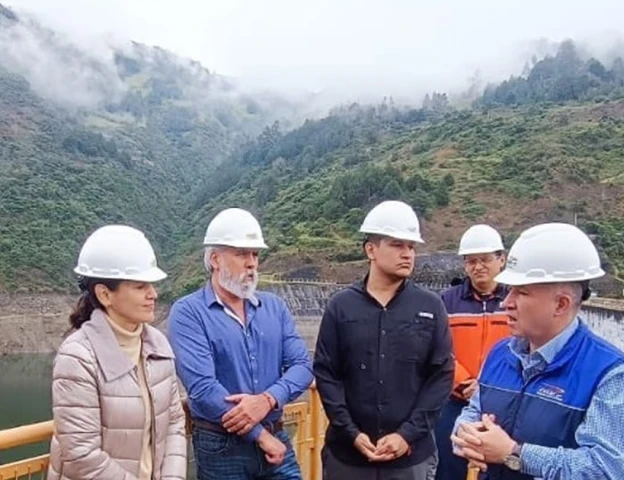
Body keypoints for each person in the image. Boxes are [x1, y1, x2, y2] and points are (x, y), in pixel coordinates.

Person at [452, 222, 624, 480]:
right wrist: (465, 435)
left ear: (561, 304)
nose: (506, 302)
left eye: (521, 292)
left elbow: (605, 469)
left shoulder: (608, 374)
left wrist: (514, 454)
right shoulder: (500, 353)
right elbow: (472, 412)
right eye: (509, 291)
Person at [167, 207, 313, 480]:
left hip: (276, 435)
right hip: (222, 446)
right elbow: (202, 389)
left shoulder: (275, 307)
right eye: (241, 253)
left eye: (255, 254)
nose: (251, 263)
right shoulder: (188, 312)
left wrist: (268, 400)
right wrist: (259, 435)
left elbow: (302, 366)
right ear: (214, 259)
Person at [314, 200, 454, 480]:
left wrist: (406, 435)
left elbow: (441, 376)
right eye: (397, 245)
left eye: (411, 247)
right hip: (348, 459)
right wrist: (351, 432)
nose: (407, 254)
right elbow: (327, 374)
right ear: (371, 249)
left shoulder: (430, 306)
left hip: (410, 458)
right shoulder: (341, 307)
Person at [47, 225, 187, 480]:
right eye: (140, 286)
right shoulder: (78, 357)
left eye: (152, 285)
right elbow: (81, 455)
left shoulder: (157, 345)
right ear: (104, 294)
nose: (153, 294)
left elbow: (175, 423)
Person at [434, 224, 509, 480]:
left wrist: (487, 386)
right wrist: (465, 381)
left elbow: (524, 349)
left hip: (503, 402)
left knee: (501, 468)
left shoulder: (516, 299)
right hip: (455, 399)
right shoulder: (447, 301)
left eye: (485, 259)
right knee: (448, 467)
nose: (478, 266)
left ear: (501, 259)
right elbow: (438, 348)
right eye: (471, 261)